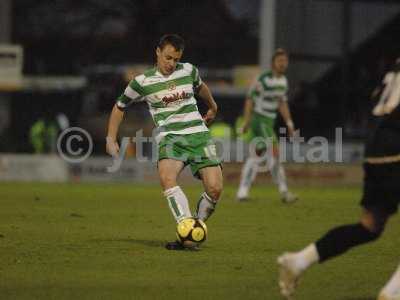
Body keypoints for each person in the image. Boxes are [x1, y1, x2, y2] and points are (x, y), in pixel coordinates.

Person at [277, 58, 400, 300]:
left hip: (377, 145)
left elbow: (376, 100)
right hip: (397, 143)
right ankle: (393, 292)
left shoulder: (395, 65)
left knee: (370, 226)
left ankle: (299, 261)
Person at [106, 34, 223, 250]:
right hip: (170, 138)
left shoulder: (188, 70)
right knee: (167, 178)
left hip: (198, 134)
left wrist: (213, 106)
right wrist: (111, 138)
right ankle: (186, 228)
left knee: (215, 189)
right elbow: (119, 106)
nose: (171, 64)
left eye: (176, 59)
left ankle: (192, 229)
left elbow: (201, 87)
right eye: (168, 58)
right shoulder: (142, 82)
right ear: (158, 52)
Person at [236, 48, 298, 203]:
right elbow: (250, 99)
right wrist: (246, 121)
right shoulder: (263, 79)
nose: (283, 64)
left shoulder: (283, 81)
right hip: (260, 120)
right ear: (273, 63)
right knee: (275, 153)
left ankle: (242, 192)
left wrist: (289, 123)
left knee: (255, 156)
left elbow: (282, 103)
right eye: (280, 61)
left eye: (285, 61)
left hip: (269, 121)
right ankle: (284, 192)